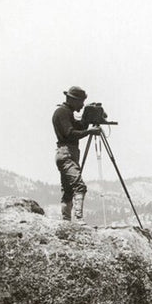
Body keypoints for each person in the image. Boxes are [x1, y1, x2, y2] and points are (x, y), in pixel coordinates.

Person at [52, 85, 101, 221]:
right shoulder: (62, 112)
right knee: (79, 186)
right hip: (66, 153)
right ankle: (79, 219)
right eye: (81, 101)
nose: (82, 105)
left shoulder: (66, 113)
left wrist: (86, 118)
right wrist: (89, 132)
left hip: (69, 153)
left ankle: (66, 221)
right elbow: (71, 133)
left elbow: (77, 127)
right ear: (72, 100)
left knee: (68, 191)